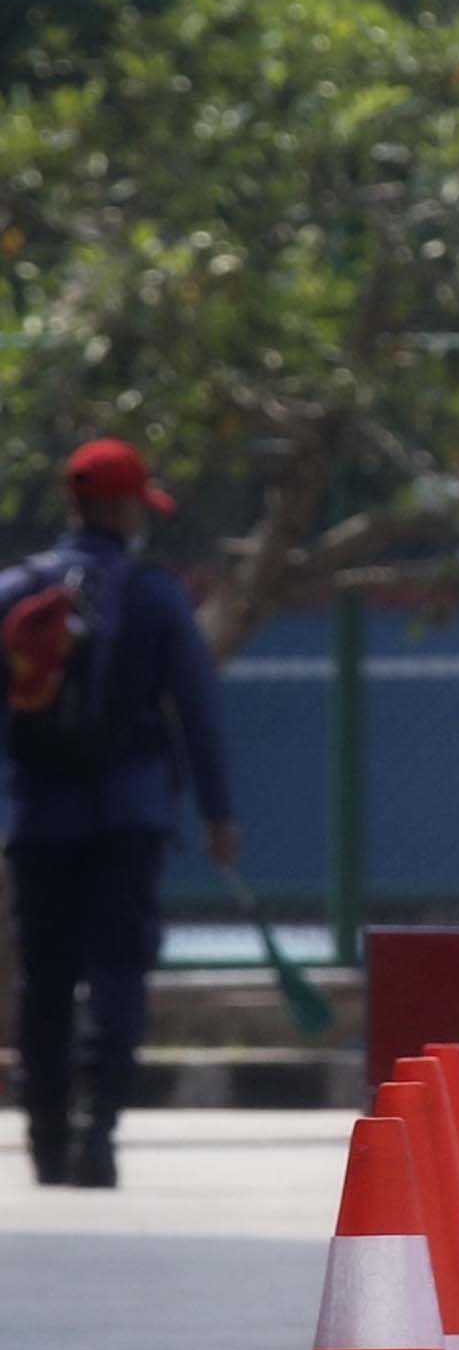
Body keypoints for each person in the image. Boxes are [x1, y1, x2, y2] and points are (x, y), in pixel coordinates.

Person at [1, 440, 234, 1189]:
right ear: (124, 506)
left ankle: (44, 1140)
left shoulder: (14, 591)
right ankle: (97, 1138)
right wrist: (218, 812)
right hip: (129, 815)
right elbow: (196, 709)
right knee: (117, 975)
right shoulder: (154, 593)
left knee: (45, 979)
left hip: (38, 816)